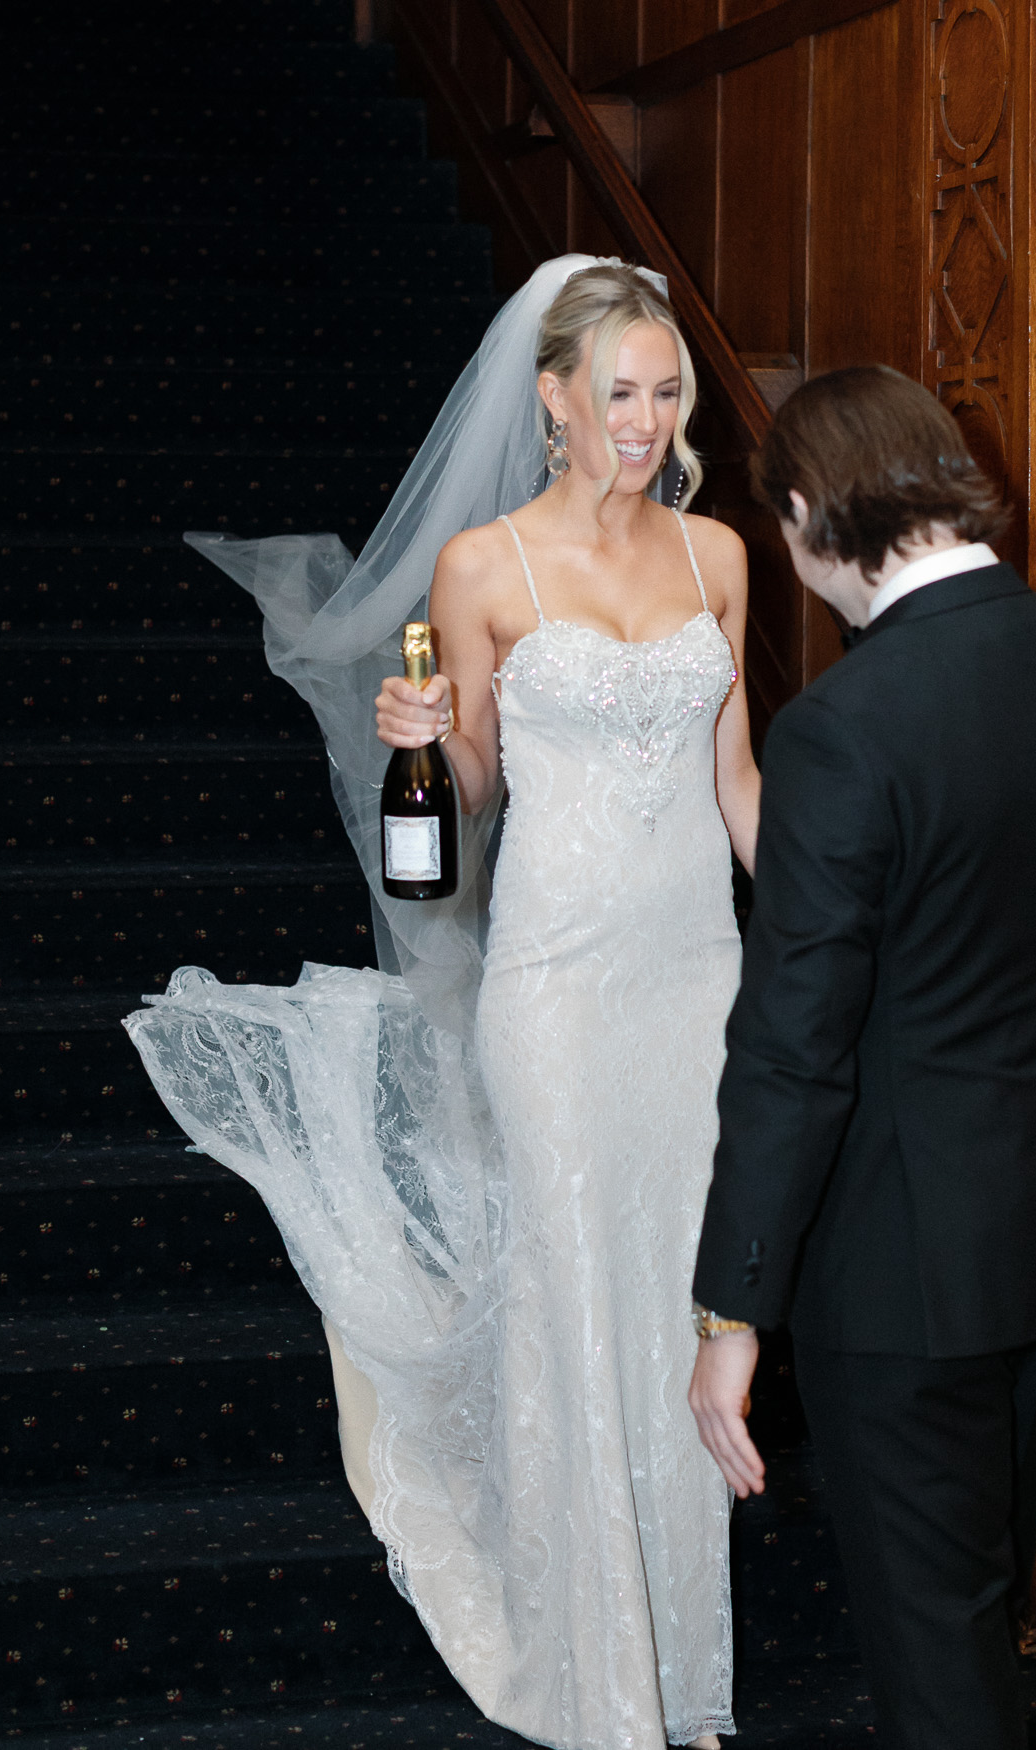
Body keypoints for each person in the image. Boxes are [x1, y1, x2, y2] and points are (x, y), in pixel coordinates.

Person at [126, 258, 760, 1750]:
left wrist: (838, 930)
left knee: (678, 1289)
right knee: (568, 1285)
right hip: (552, 984)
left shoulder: (719, 557)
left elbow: (739, 788)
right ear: (552, 397)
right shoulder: (485, 567)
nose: (646, 422)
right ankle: (584, 1664)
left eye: (667, 393)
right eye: (619, 393)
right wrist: (422, 741)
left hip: (694, 983)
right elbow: (469, 802)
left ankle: (670, 1656)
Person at [686, 365, 1036, 1750]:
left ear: (806, 515)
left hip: (906, 1264)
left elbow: (794, 1047)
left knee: (938, 1643)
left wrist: (732, 1314)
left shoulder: (845, 726)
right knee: (978, 1601)